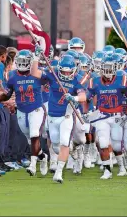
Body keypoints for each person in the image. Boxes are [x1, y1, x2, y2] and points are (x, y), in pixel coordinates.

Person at [0, 49, 49, 177]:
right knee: (30, 140)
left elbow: (49, 81)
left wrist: (38, 59)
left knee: (34, 134)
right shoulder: (12, 76)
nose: (22, 64)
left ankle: (33, 166)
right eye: (20, 61)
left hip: (36, 108)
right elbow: (6, 96)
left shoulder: (37, 74)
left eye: (25, 61)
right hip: (21, 110)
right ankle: (42, 157)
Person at [30, 47, 87, 183]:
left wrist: (75, 99)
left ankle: (59, 172)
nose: (65, 74)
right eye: (63, 71)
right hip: (52, 115)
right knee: (55, 145)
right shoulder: (53, 73)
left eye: (68, 72)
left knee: (64, 142)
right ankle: (72, 150)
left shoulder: (76, 81)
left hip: (66, 116)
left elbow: (83, 96)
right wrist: (36, 58)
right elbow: (34, 73)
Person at [88, 54, 127, 179]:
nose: (107, 71)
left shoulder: (121, 80)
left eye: (110, 67)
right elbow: (87, 98)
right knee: (103, 143)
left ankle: (122, 167)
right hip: (102, 115)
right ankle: (107, 170)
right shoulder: (95, 82)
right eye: (105, 68)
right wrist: (86, 110)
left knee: (117, 145)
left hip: (116, 116)